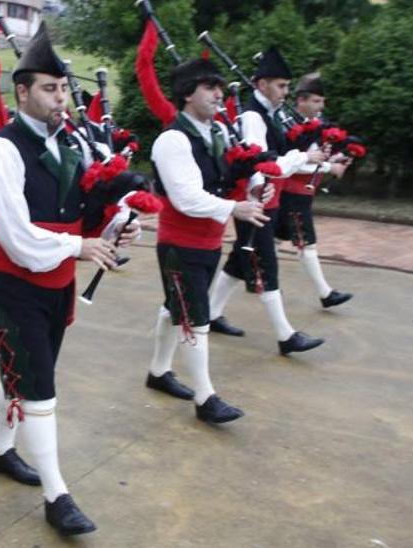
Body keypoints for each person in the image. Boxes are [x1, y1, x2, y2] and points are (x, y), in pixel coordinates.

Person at [0, 24, 138, 537]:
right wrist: (78, 246)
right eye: (49, 88)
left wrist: (109, 230)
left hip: (56, 283)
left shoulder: (70, 146)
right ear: (22, 92)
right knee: (39, 387)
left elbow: (77, 216)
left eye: (63, 88)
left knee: (21, 373)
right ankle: (56, 493)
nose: (61, 98)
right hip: (13, 285)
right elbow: (18, 238)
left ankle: (0, 452)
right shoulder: (1, 151)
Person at [146, 57, 276, 423]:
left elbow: (232, 174)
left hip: (207, 240)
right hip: (179, 242)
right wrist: (236, 208)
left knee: (177, 307)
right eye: (210, 87)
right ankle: (206, 398)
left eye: (220, 87)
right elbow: (186, 197)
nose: (220, 94)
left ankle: (158, 372)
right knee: (195, 318)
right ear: (188, 94)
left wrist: (256, 188)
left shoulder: (216, 132)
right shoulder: (172, 140)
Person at [208, 46, 327, 356]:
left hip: (268, 200)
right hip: (255, 201)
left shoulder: (271, 115)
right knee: (267, 266)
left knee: (239, 260)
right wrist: (303, 156)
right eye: (281, 86)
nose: (285, 92)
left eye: (287, 86)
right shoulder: (253, 118)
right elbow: (262, 164)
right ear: (262, 85)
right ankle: (285, 335)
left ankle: (209, 312)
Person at [278, 72, 353, 309]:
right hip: (292, 193)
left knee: (271, 240)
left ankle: (258, 278)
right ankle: (325, 293)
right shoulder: (290, 126)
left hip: (299, 194)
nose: (321, 106)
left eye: (322, 101)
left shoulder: (315, 126)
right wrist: (332, 167)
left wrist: (339, 158)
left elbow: (316, 156)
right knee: (306, 243)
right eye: (316, 101)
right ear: (301, 100)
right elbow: (292, 164)